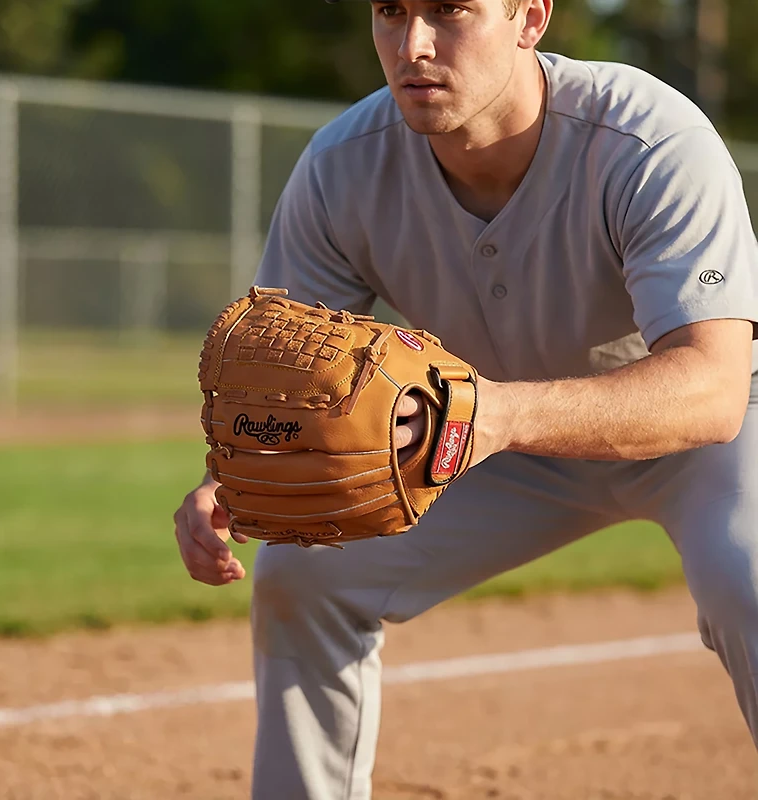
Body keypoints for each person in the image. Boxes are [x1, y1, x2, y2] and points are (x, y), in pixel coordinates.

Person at [173, 0, 758, 796]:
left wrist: (491, 415)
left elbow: (712, 389)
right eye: (390, 11)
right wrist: (240, 470)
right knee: (302, 574)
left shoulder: (648, 141)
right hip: (491, 441)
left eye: (450, 10)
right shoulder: (344, 164)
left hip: (696, 439)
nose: (413, 44)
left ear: (531, 18)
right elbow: (288, 379)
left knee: (749, 573)